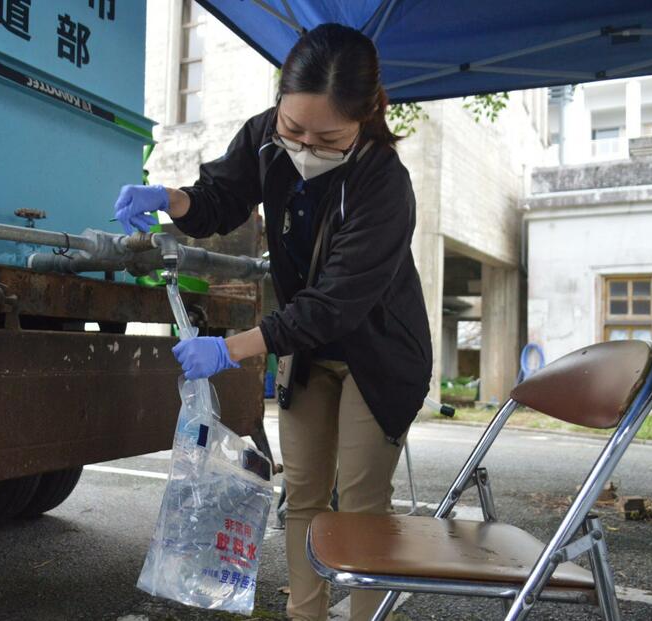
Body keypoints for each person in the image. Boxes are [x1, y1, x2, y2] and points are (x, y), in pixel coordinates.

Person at [114, 23, 431, 621]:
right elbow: (218, 201)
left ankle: (364, 614)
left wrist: (231, 348)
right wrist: (170, 198)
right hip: (306, 353)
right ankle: (304, 615)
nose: (305, 145)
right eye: (294, 128)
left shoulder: (385, 183)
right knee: (305, 494)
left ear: (367, 116)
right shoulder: (265, 136)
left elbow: (333, 304)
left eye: (327, 137)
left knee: (361, 500)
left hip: (379, 352)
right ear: (279, 103)